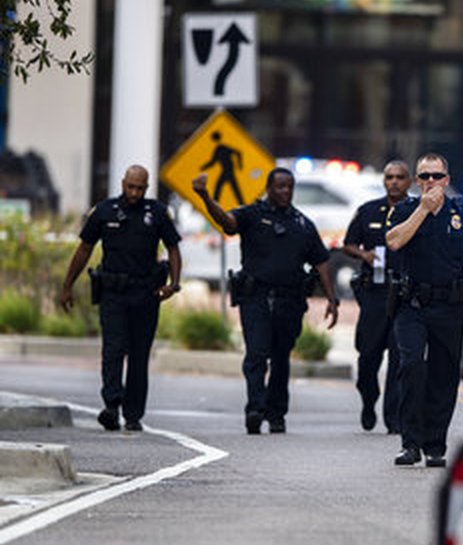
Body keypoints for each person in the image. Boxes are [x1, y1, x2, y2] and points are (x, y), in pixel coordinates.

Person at [191, 167, 339, 435]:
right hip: (255, 297)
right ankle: (255, 409)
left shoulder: (302, 224)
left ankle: (277, 413)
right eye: (280, 186)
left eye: (289, 187)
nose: (285, 191)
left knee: (281, 358)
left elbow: (322, 262)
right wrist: (205, 197)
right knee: (257, 355)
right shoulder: (252, 214)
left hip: (290, 300)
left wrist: (332, 299)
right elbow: (227, 223)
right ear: (269, 188)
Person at [385, 153, 463, 467]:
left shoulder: (462, 212)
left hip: (449, 305)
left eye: (436, 176)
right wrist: (422, 209)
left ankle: (435, 445)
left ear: (446, 179)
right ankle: (410, 443)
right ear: (417, 181)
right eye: (424, 176)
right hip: (412, 305)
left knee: (444, 375)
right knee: (412, 365)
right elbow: (394, 242)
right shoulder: (405, 209)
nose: (430, 182)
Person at [60, 165, 182, 432]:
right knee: (113, 350)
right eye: (131, 187)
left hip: (146, 294)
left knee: (139, 356)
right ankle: (112, 406)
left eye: (140, 188)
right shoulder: (104, 211)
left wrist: (173, 284)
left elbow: (173, 248)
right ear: (123, 183)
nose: (135, 193)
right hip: (113, 292)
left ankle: (134, 414)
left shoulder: (157, 213)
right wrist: (67, 285)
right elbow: (84, 249)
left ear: (146, 188)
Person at [341, 160, 411, 434]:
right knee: (368, 356)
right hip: (375, 294)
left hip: (404, 295)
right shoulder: (368, 210)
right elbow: (348, 244)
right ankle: (368, 400)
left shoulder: (417, 212)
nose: (394, 182)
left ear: (409, 182)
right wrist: (364, 254)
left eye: (400, 177)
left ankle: (393, 418)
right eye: (389, 177)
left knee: (399, 359)